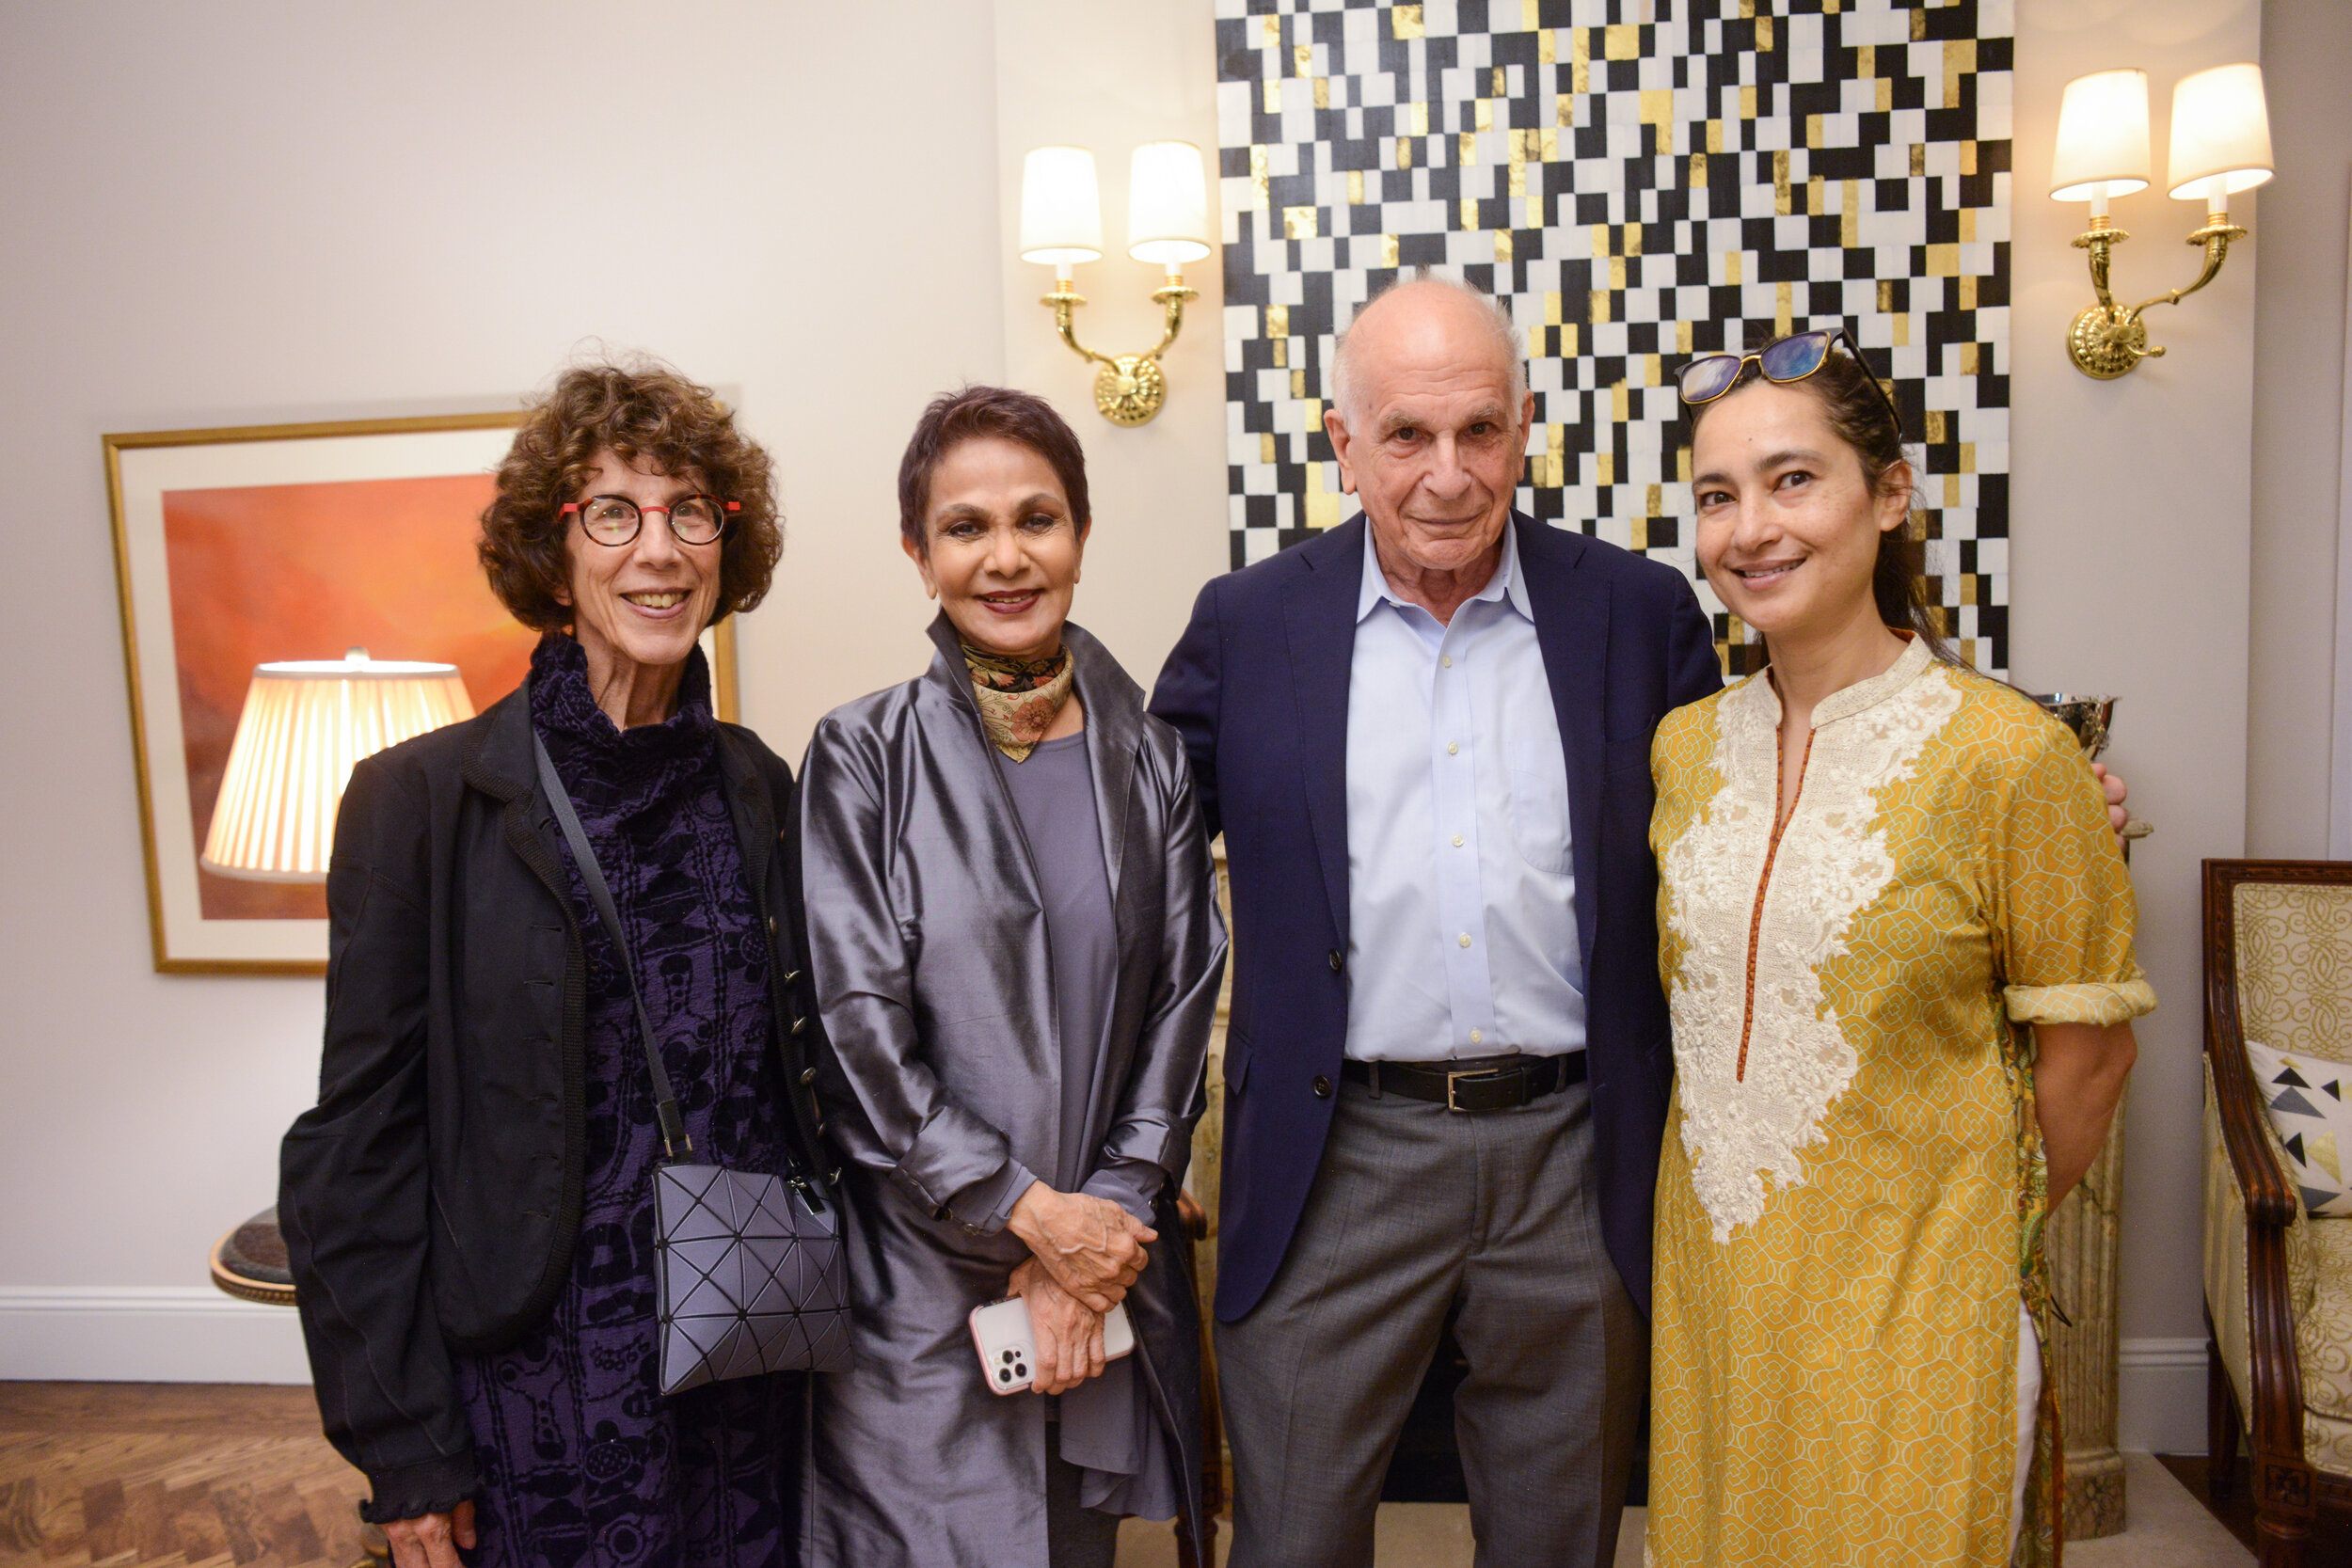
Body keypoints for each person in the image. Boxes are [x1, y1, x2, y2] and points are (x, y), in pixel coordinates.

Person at [1145, 273, 1719, 1566]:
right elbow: (1129, 853)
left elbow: (1756, 814)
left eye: (1480, 431)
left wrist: (1997, 770)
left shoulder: (1640, 615)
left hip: (1577, 1150)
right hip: (1339, 1144)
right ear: (1343, 444)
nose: (1448, 472)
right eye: (1406, 434)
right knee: (1289, 1537)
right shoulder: (1247, 624)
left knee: (1559, 1538)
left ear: (1527, 425)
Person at [279, 362, 827, 1568]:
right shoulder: (417, 802)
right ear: (554, 548)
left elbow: (822, 1073)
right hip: (532, 1393)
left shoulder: (757, 787)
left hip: (741, 1368)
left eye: (693, 512)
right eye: (615, 512)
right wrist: (408, 1450)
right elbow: (357, 1150)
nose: (662, 549)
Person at [1644, 329, 2152, 1567]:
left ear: (1890, 492)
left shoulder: (2012, 756)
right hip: (1717, 1301)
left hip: (1919, 1310)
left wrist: (1967, 1245)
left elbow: (2088, 1059)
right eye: (1718, 496)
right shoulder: (1685, 748)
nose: (1750, 526)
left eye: (1792, 478)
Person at [796, 385, 1226, 1566]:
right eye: (966, 525)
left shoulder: (1151, 762)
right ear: (917, 552)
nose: (1005, 556)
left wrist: (1100, 1234)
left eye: (1036, 518)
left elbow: (1182, 1005)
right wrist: (1030, 1217)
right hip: (923, 1287)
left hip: (1100, 1270)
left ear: (1080, 534)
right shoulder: (860, 754)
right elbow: (856, 1028)